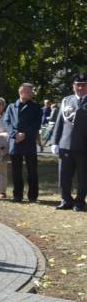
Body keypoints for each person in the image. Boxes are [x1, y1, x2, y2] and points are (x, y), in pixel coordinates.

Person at [51, 74, 87, 211]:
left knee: (83, 177)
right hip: (66, 144)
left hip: (84, 146)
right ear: (73, 86)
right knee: (64, 175)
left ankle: (80, 202)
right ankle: (66, 200)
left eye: (84, 85)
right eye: (78, 85)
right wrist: (55, 142)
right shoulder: (66, 100)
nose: (80, 88)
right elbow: (59, 122)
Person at [6, 83, 42, 203]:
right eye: (29, 91)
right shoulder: (11, 106)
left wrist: (24, 134)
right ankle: (17, 195)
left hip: (29, 142)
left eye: (32, 91)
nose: (31, 93)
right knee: (16, 171)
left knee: (32, 171)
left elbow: (37, 124)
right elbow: (7, 122)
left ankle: (33, 196)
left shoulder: (36, 107)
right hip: (15, 143)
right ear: (21, 92)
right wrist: (14, 134)